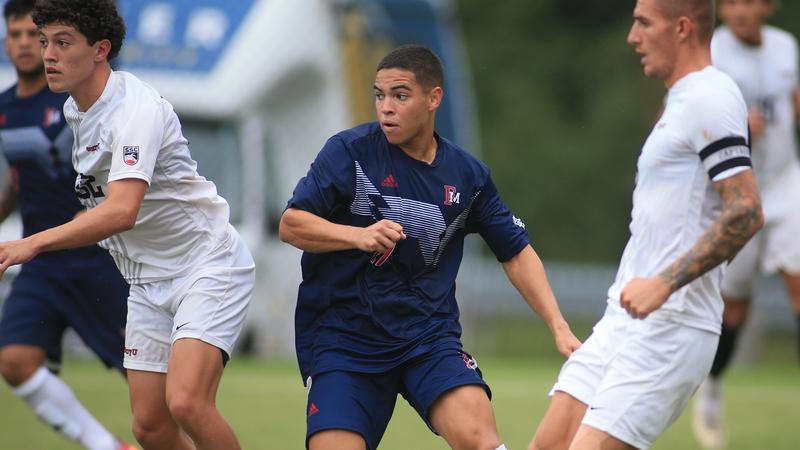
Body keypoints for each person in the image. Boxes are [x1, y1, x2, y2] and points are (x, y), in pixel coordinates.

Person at [279, 44, 581, 450]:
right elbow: (291, 223)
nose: (386, 107)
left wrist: (559, 327)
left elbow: (515, 251)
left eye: (400, 96)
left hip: (427, 338)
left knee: (481, 439)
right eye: (379, 95)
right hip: (345, 341)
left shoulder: (468, 176)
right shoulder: (349, 152)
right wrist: (358, 235)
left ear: (433, 98)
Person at [0, 0, 256, 449]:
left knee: (187, 404)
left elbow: (122, 211)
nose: (48, 55)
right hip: (145, 280)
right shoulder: (76, 111)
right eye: (45, 42)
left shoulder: (135, 108)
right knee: (150, 427)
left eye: (62, 43)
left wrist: (31, 244)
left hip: (205, 264)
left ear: (101, 49)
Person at [528, 0, 764, 449]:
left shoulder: (710, 96)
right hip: (624, 317)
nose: (632, 37)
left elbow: (747, 211)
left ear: (681, 28)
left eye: (643, 23)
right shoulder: (680, 100)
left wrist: (664, 283)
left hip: (671, 326)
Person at [0, 1, 134, 449]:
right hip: (40, 260)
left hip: (99, 256)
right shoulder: (5, 110)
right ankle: (105, 445)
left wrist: (96, 212)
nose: (25, 45)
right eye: (16, 34)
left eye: (33, 36)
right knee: (14, 359)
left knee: (146, 379)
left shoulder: (76, 98)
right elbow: (20, 182)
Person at [692, 1, 800, 447]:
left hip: (786, 183)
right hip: (737, 191)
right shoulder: (712, 51)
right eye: (731, 1)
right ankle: (713, 386)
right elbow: (689, 119)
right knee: (735, 308)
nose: (739, 10)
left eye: (749, 1)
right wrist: (736, 127)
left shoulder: (785, 47)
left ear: (767, 6)